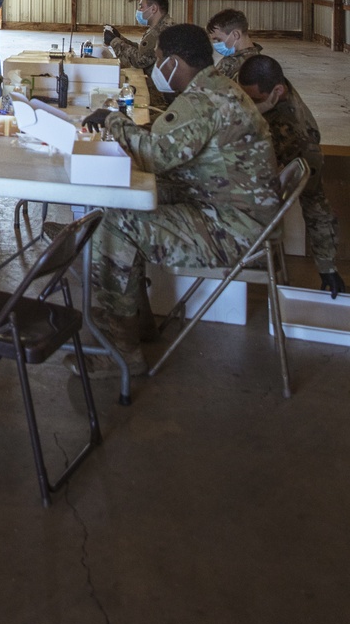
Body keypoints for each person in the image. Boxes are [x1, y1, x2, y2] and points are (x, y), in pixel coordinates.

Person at [80, 23, 280, 377]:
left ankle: (122, 352)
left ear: (173, 62)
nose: (157, 67)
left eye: (158, 60)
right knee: (121, 203)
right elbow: (171, 146)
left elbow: (155, 156)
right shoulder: (215, 89)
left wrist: (114, 122)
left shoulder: (204, 100)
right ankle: (137, 323)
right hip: (226, 206)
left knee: (113, 228)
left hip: (232, 228)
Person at [237, 55, 346, 297]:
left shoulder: (300, 138)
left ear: (278, 91)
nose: (248, 105)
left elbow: (316, 204)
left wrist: (327, 266)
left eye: (254, 100)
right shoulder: (263, 88)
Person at [103, 0, 173, 72]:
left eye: (141, 6)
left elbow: (140, 61)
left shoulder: (163, 32)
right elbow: (144, 51)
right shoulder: (158, 27)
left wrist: (114, 41)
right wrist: (120, 38)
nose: (139, 10)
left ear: (153, 9)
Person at [206, 8, 262, 78]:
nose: (216, 44)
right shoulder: (261, 61)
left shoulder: (232, 65)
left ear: (236, 35)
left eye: (218, 40)